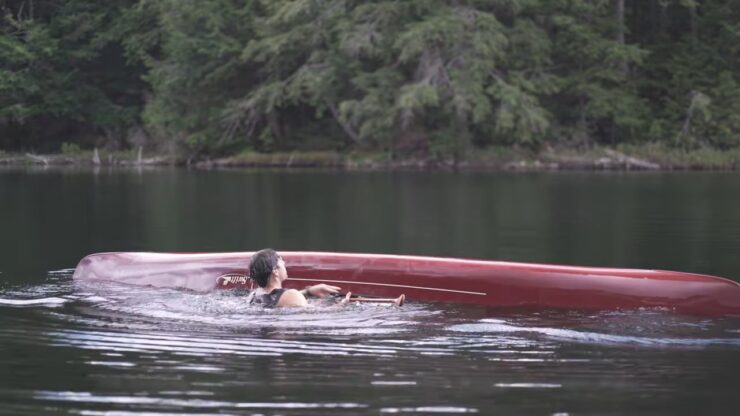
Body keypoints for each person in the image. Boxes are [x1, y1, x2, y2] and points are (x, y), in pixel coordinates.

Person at [247, 248, 346, 307]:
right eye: (280, 260)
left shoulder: (253, 296)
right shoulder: (292, 295)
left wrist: (308, 292)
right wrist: (339, 306)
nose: (284, 263)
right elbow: (313, 315)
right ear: (275, 271)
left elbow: (275, 298)